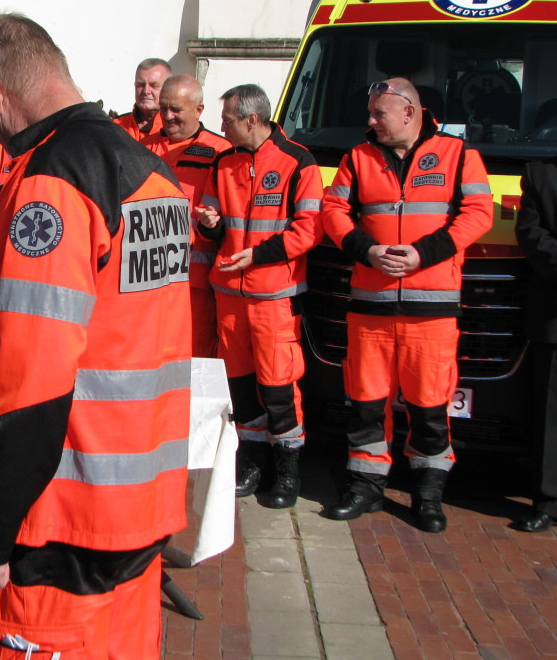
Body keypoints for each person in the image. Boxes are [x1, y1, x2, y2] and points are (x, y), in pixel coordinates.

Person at [0, 14, 192, 658]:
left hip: (59, 512)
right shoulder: (146, 168)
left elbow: (34, 379)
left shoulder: (50, 183)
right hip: (139, 501)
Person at [322, 77, 492, 532]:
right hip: (371, 308)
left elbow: (479, 214)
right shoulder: (358, 158)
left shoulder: (460, 156)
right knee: (365, 404)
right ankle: (365, 488)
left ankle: (429, 496)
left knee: (430, 408)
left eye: (379, 114)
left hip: (431, 313)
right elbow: (332, 211)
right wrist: (367, 251)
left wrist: (423, 254)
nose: (371, 121)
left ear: (410, 112)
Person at [196, 84, 322, 508]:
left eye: (227, 119)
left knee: (279, 386)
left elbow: (309, 229)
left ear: (253, 119)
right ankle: (252, 462)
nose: (221, 127)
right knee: (241, 387)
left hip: (275, 298)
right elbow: (211, 226)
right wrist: (210, 224)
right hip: (229, 295)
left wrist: (258, 255)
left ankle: (287, 472)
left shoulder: (298, 162)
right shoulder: (224, 162)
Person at [143, 75, 229, 357]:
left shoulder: (220, 152)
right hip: (147, 278)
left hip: (196, 282)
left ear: (199, 110)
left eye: (176, 110)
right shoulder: (141, 149)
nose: (167, 116)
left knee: (194, 360)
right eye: (163, 107)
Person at [513, 158, 557, 532]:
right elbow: (530, 233)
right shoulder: (541, 173)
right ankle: (547, 501)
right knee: (551, 416)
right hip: (554, 315)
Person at [113, 57, 171, 143]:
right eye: (140, 85)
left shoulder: (175, 129)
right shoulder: (116, 126)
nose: (146, 91)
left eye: (153, 85)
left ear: (168, 88)